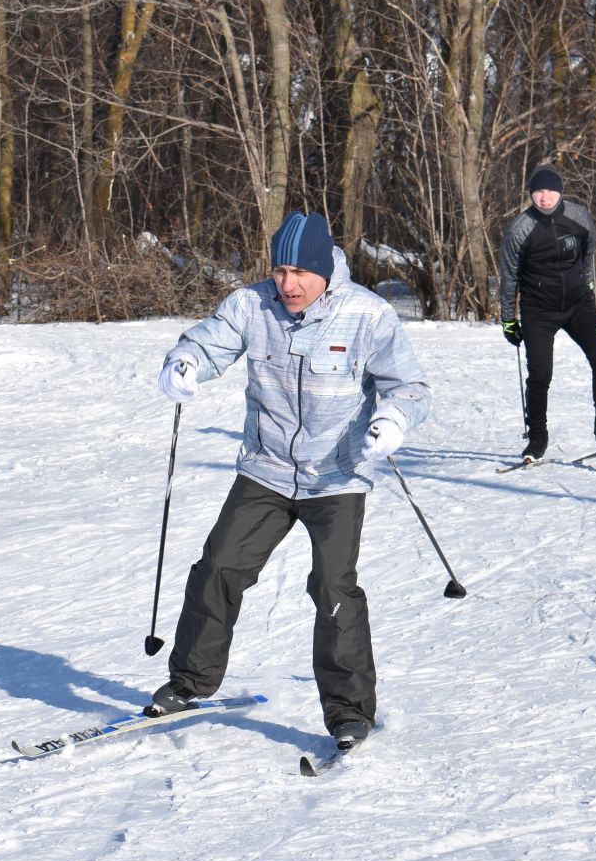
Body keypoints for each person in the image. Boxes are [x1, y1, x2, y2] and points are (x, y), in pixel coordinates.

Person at [149, 211, 431, 751]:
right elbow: (207, 344)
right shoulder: (251, 306)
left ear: (326, 270)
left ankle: (349, 712)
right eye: (280, 270)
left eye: (301, 272)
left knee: (332, 588)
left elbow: (409, 386)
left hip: (338, 477)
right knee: (219, 567)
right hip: (267, 469)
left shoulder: (368, 316)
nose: (289, 284)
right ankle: (188, 683)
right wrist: (183, 362)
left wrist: (393, 419)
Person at [497, 164, 596, 462]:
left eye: (550, 191)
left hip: (579, 304)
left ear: (560, 192)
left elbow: (589, 249)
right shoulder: (519, 229)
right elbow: (509, 276)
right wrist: (508, 318)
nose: (545, 197)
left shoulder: (579, 217)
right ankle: (537, 438)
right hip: (538, 309)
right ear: (530, 194)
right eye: (538, 191)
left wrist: (586, 283)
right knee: (540, 374)